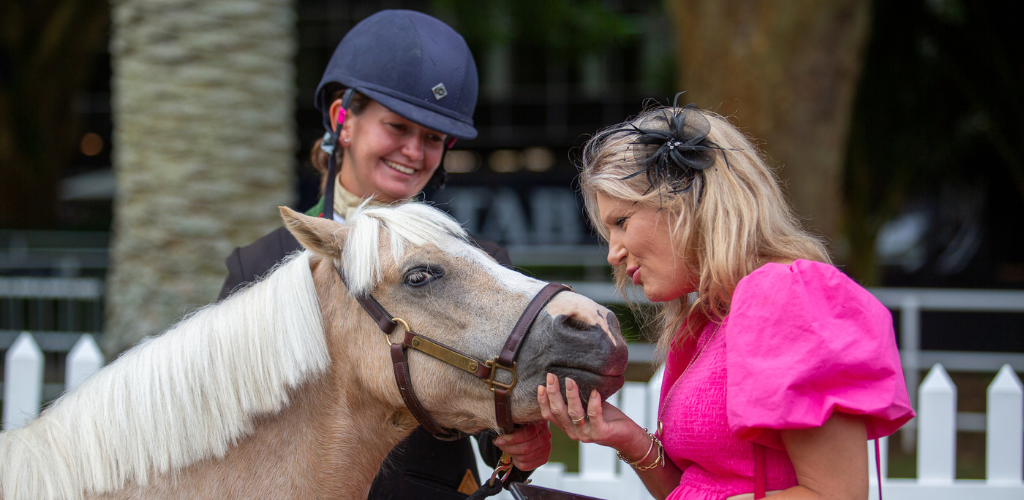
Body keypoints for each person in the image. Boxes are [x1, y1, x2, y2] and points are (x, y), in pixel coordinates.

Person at [219, 10, 550, 499]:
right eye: (398, 127)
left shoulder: (485, 260)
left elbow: (494, 414)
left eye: (433, 138)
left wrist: (521, 445)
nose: (414, 151)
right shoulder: (257, 267)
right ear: (342, 120)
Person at [537, 99, 914, 500]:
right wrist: (628, 438)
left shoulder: (788, 295)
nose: (613, 252)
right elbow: (699, 487)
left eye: (621, 222)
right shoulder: (710, 319)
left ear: (684, 201)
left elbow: (836, 496)